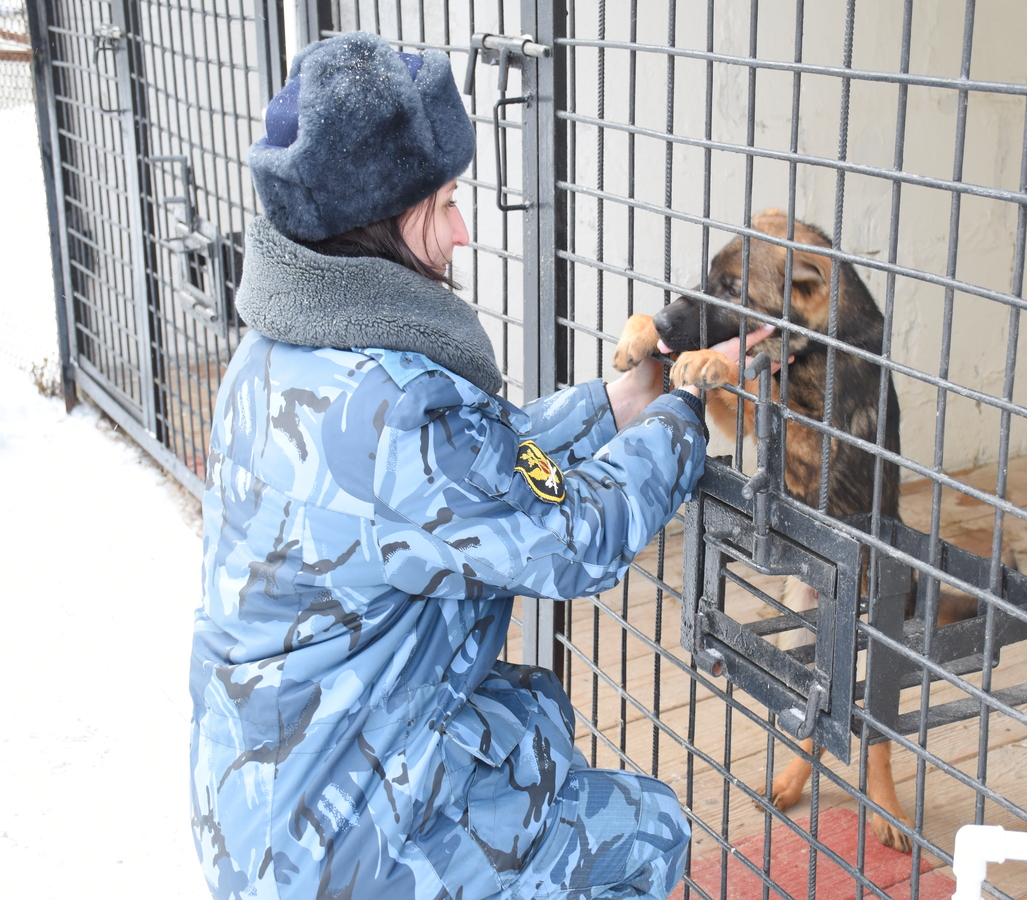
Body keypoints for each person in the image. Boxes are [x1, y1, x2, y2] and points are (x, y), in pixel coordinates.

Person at [189, 30, 773, 900]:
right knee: (649, 833)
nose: (462, 231)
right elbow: (578, 539)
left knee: (532, 733)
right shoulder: (395, 408)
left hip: (264, 805)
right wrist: (690, 406)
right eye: (446, 201)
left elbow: (468, 475)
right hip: (341, 845)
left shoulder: (282, 352)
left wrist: (625, 399)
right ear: (378, 218)